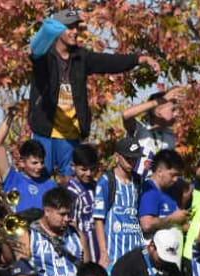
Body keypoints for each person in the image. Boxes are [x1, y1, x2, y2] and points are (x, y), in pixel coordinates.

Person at [26, 9, 147, 175]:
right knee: (40, 178)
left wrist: (137, 59)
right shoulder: (45, 56)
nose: (75, 31)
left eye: (77, 27)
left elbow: (108, 62)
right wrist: (46, 32)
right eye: (70, 27)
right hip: (45, 132)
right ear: (58, 29)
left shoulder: (81, 57)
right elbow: (35, 52)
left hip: (71, 136)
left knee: (72, 185)